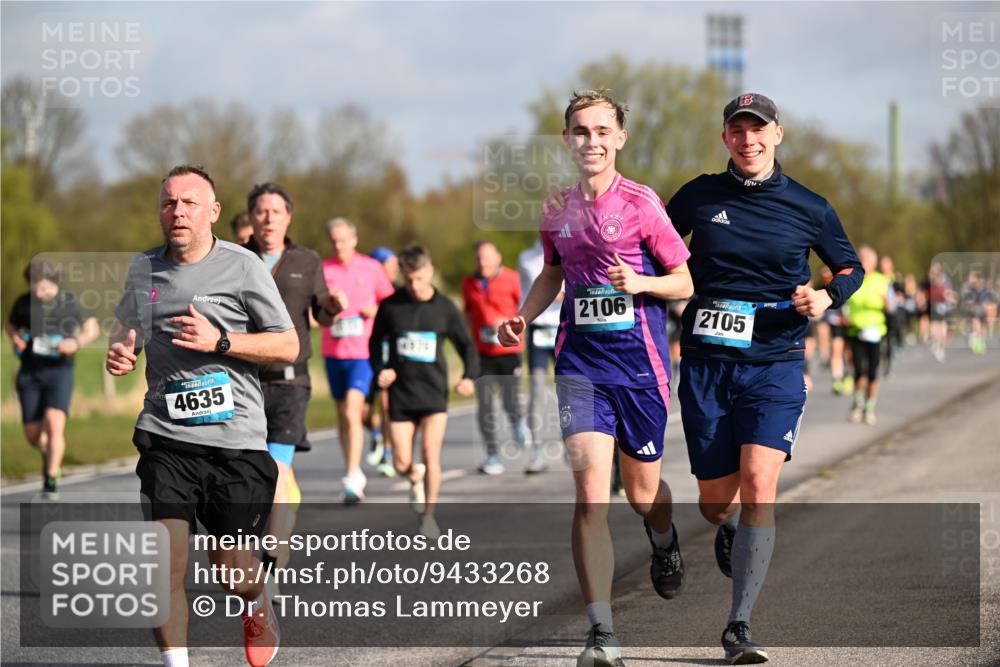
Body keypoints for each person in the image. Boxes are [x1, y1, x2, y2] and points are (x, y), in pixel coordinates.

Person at [665, 93, 863, 664]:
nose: (748, 140)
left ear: (777, 134)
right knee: (715, 503)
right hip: (706, 363)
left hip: (775, 363)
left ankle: (739, 626)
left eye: (758, 129)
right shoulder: (698, 197)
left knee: (759, 482)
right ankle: (727, 527)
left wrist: (827, 295)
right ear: (725, 137)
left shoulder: (809, 206)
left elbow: (850, 267)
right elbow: (657, 253)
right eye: (737, 130)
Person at [500, 90, 693, 667]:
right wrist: (523, 316)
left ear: (620, 139)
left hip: (639, 368)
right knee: (589, 497)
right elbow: (552, 274)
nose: (592, 141)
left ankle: (663, 536)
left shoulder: (641, 202)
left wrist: (643, 284)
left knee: (641, 495)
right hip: (581, 366)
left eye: (603, 131)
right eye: (581, 131)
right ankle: (602, 632)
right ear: (567, 139)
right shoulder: (556, 207)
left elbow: (684, 281)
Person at [107, 164, 298, 667]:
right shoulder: (143, 268)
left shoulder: (243, 266)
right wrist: (122, 351)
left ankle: (256, 600)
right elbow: (127, 327)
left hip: (234, 442)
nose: (178, 212)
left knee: (231, 571)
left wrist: (222, 341)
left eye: (189, 203)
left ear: (213, 211)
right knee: (163, 565)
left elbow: (287, 345)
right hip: (165, 437)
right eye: (169, 203)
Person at [243, 182, 347, 584]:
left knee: (276, 468)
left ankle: (271, 561)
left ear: (288, 217)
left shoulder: (307, 259)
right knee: (251, 477)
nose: (268, 218)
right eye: (261, 211)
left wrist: (333, 308)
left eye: (276, 211)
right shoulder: (235, 259)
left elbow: (322, 314)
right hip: (243, 383)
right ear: (252, 217)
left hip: (290, 383)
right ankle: (270, 535)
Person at [370, 245, 478, 538]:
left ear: (430, 272)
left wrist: (468, 377)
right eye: (409, 279)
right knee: (401, 462)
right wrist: (381, 370)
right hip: (401, 394)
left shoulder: (445, 308)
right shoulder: (391, 307)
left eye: (419, 278)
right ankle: (413, 475)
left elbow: (467, 346)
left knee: (431, 454)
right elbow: (374, 343)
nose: (415, 285)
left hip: (433, 393)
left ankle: (428, 516)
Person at [6, 260, 99, 499]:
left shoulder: (70, 302)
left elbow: (92, 328)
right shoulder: (24, 303)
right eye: (36, 286)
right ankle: (51, 457)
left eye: (46, 286)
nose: (41, 292)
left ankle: (50, 481)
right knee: (33, 435)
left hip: (60, 371)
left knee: (54, 424)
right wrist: (16, 339)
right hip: (30, 373)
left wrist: (75, 342)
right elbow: (11, 326)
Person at [321, 218, 395, 503]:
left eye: (343, 240)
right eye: (334, 241)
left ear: (354, 239)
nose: (338, 245)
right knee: (343, 415)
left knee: (353, 412)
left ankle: (353, 476)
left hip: (363, 353)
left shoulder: (371, 267)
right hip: (333, 352)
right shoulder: (323, 270)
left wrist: (374, 310)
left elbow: (390, 305)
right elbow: (314, 311)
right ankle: (351, 468)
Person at [463, 240, 534, 475]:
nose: (482, 262)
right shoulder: (469, 282)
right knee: (484, 405)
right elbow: (467, 313)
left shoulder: (513, 279)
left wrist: (505, 322)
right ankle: (492, 456)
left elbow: (525, 311)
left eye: (486, 258)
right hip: (481, 353)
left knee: (509, 400)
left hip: (508, 351)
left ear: (498, 258)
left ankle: (517, 422)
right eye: (478, 258)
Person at [517, 238, 563, 474]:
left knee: (568, 388)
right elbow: (525, 291)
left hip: (562, 326)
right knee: (535, 391)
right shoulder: (525, 257)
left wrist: (564, 293)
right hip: (538, 329)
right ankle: (536, 451)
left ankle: (572, 440)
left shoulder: (567, 246)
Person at [843, 246, 892, 425]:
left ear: (874, 262)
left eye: (866, 260)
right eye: (860, 259)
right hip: (855, 330)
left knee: (872, 372)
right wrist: (844, 315)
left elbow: (891, 306)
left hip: (875, 332)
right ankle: (858, 403)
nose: (863, 262)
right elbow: (844, 302)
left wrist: (886, 301)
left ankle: (870, 407)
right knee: (858, 371)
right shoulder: (852, 278)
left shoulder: (882, 281)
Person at [366, 246, 401, 476]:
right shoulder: (365, 287)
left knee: (387, 405)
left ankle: (388, 453)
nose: (395, 270)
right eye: (390, 265)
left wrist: (377, 311)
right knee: (362, 410)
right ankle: (377, 436)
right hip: (364, 352)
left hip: (389, 355)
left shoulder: (398, 292)